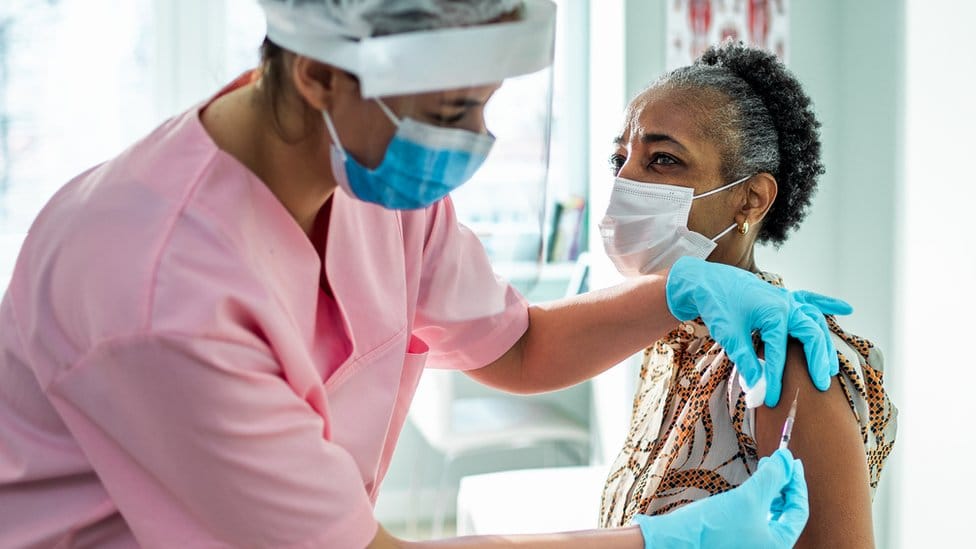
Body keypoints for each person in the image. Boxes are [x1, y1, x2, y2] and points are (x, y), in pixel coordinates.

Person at [0, 2, 844, 547]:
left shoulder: (372, 175)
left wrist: (674, 293)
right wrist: (666, 541)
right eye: (450, 113)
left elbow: (517, 347)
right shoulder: (158, 295)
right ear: (320, 72)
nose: (475, 141)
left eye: (485, 104)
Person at [597, 42, 898, 548]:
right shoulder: (670, 339)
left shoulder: (786, 361)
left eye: (663, 159)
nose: (624, 181)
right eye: (620, 158)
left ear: (750, 199)